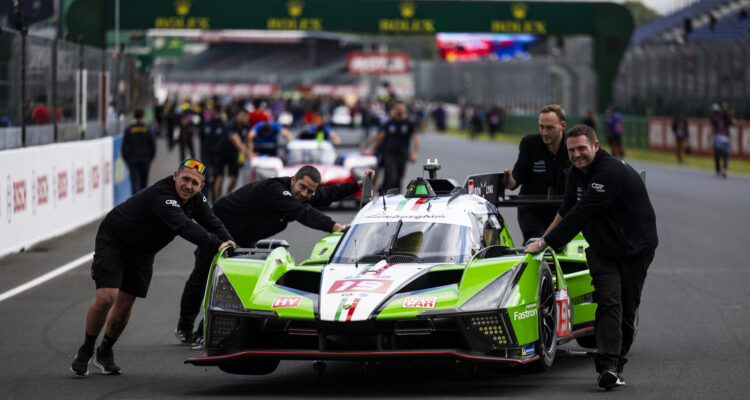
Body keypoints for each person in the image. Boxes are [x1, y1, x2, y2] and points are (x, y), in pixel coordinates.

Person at [70, 160, 235, 376]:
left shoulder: (197, 199)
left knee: (126, 302)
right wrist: (216, 245)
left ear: (201, 187)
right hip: (115, 239)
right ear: (175, 175)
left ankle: (105, 352)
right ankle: (87, 348)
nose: (188, 185)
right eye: (185, 179)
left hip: (143, 251)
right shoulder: (162, 196)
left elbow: (212, 222)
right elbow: (185, 227)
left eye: (194, 183)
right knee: (106, 298)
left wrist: (231, 244)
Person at [175, 165, 375, 344]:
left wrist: (358, 184)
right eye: (302, 187)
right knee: (202, 278)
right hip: (219, 230)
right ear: (293, 180)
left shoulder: (303, 193)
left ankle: (204, 331)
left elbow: (326, 193)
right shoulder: (276, 190)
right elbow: (302, 213)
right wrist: (334, 226)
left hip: (244, 237)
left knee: (234, 284)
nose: (304, 193)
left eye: (309, 191)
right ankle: (184, 329)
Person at [524, 124, 658, 390]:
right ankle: (609, 367)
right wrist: (541, 242)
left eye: (582, 149)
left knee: (627, 308)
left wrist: (544, 243)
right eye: (571, 150)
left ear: (596, 146)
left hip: (636, 249)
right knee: (609, 301)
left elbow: (582, 212)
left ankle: (619, 351)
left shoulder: (609, 172)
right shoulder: (575, 173)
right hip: (603, 249)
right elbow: (565, 210)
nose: (576, 155)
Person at [504, 104, 570, 244]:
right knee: (537, 244)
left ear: (562, 125)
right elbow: (517, 177)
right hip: (532, 209)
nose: (544, 132)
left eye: (550, 128)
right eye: (541, 127)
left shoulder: (572, 147)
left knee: (561, 246)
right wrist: (510, 181)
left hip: (562, 211)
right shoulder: (529, 143)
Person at [369, 102, 420, 192]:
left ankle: (397, 195)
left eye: (401, 108)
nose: (399, 110)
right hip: (389, 153)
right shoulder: (390, 123)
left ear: (405, 109)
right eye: (398, 108)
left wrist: (414, 153)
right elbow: (381, 136)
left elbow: (416, 138)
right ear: (395, 110)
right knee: (391, 175)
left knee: (399, 177)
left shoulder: (409, 123)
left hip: (402, 154)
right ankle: (387, 194)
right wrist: (374, 149)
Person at [213, 108, 250, 199]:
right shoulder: (229, 125)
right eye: (241, 115)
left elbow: (248, 139)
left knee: (234, 177)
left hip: (234, 154)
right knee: (220, 176)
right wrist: (249, 154)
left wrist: (249, 149)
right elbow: (237, 142)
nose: (243, 118)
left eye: (245, 116)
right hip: (222, 152)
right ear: (237, 115)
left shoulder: (246, 126)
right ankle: (217, 200)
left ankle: (227, 197)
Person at [121, 109, 156, 194]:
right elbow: (153, 146)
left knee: (134, 183)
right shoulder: (148, 129)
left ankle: (135, 202)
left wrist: (127, 159)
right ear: (143, 116)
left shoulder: (129, 129)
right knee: (144, 183)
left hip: (132, 159)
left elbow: (124, 146)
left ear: (134, 117)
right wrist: (150, 158)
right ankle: (142, 202)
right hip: (145, 159)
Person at [709, 103, 736, 178]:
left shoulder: (717, 118)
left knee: (718, 156)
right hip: (725, 139)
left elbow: (712, 129)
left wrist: (709, 137)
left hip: (719, 139)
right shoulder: (725, 118)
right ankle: (723, 169)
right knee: (725, 156)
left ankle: (719, 170)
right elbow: (735, 123)